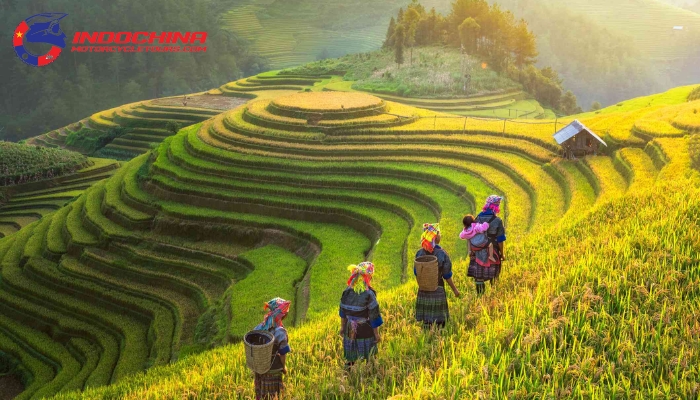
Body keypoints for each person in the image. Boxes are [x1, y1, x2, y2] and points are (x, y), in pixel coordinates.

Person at [415, 223, 460, 328]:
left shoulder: (419, 253)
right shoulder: (442, 253)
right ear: (435, 236)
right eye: (439, 233)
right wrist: (455, 290)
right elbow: (447, 275)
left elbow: (416, 272)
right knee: (440, 322)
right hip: (437, 288)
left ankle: (427, 339)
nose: (440, 235)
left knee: (426, 320)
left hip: (423, 290)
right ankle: (438, 341)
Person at [339, 262, 383, 368]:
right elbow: (374, 315)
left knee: (351, 356)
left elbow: (342, 312)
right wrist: (376, 334)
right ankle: (369, 374)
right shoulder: (369, 294)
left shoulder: (347, 292)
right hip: (365, 328)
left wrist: (342, 327)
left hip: (349, 327)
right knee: (369, 357)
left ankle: (348, 372)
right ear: (368, 277)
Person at [467, 195, 507, 296]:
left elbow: (471, 234)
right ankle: (493, 298)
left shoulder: (478, 217)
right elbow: (500, 240)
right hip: (492, 251)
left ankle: (480, 298)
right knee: (494, 275)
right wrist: (502, 254)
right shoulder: (498, 221)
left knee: (479, 276)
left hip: (478, 251)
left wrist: (470, 250)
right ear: (496, 206)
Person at [253, 297, 292, 400]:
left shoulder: (259, 327)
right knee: (272, 396)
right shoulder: (280, 331)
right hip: (273, 370)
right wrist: (283, 367)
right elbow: (283, 352)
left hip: (259, 369)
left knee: (262, 395)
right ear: (281, 314)